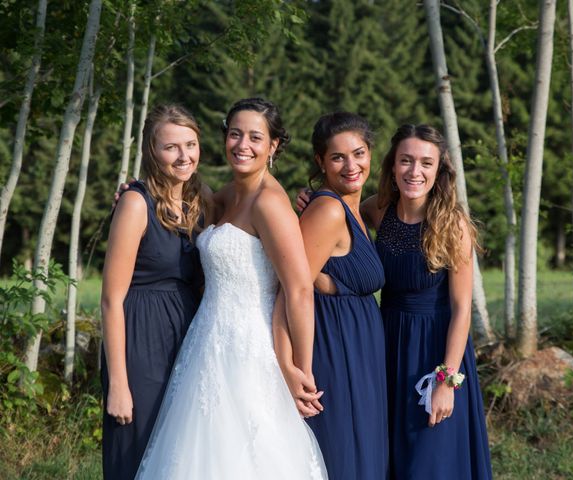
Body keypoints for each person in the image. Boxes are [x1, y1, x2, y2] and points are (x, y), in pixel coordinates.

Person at [135, 98, 327, 479]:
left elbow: (299, 290)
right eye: (235, 134)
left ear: (273, 146)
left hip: (251, 348)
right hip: (206, 343)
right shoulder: (225, 195)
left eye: (256, 137)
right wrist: (135, 192)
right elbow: (173, 197)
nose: (243, 144)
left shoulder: (270, 202)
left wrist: (298, 369)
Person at [362, 124, 492, 479]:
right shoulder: (379, 210)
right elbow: (340, 213)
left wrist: (447, 380)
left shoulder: (453, 225)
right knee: (392, 454)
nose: (414, 171)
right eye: (405, 160)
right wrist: (311, 200)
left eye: (425, 163)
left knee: (429, 457)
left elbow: (462, 308)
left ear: (439, 170)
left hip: (435, 347)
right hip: (387, 343)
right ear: (392, 166)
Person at [101, 104, 214, 479]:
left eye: (191, 144)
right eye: (171, 147)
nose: (184, 156)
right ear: (153, 151)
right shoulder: (136, 203)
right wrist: (118, 382)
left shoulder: (201, 201)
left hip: (186, 334)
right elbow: (110, 299)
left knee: (177, 450)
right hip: (141, 338)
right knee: (136, 446)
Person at [280, 112, 389, 479]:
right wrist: (291, 367)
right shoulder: (327, 209)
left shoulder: (359, 209)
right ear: (320, 162)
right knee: (344, 455)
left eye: (358, 153)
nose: (351, 165)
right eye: (337, 157)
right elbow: (290, 290)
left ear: (371, 153)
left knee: (363, 452)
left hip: (360, 350)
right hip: (334, 348)